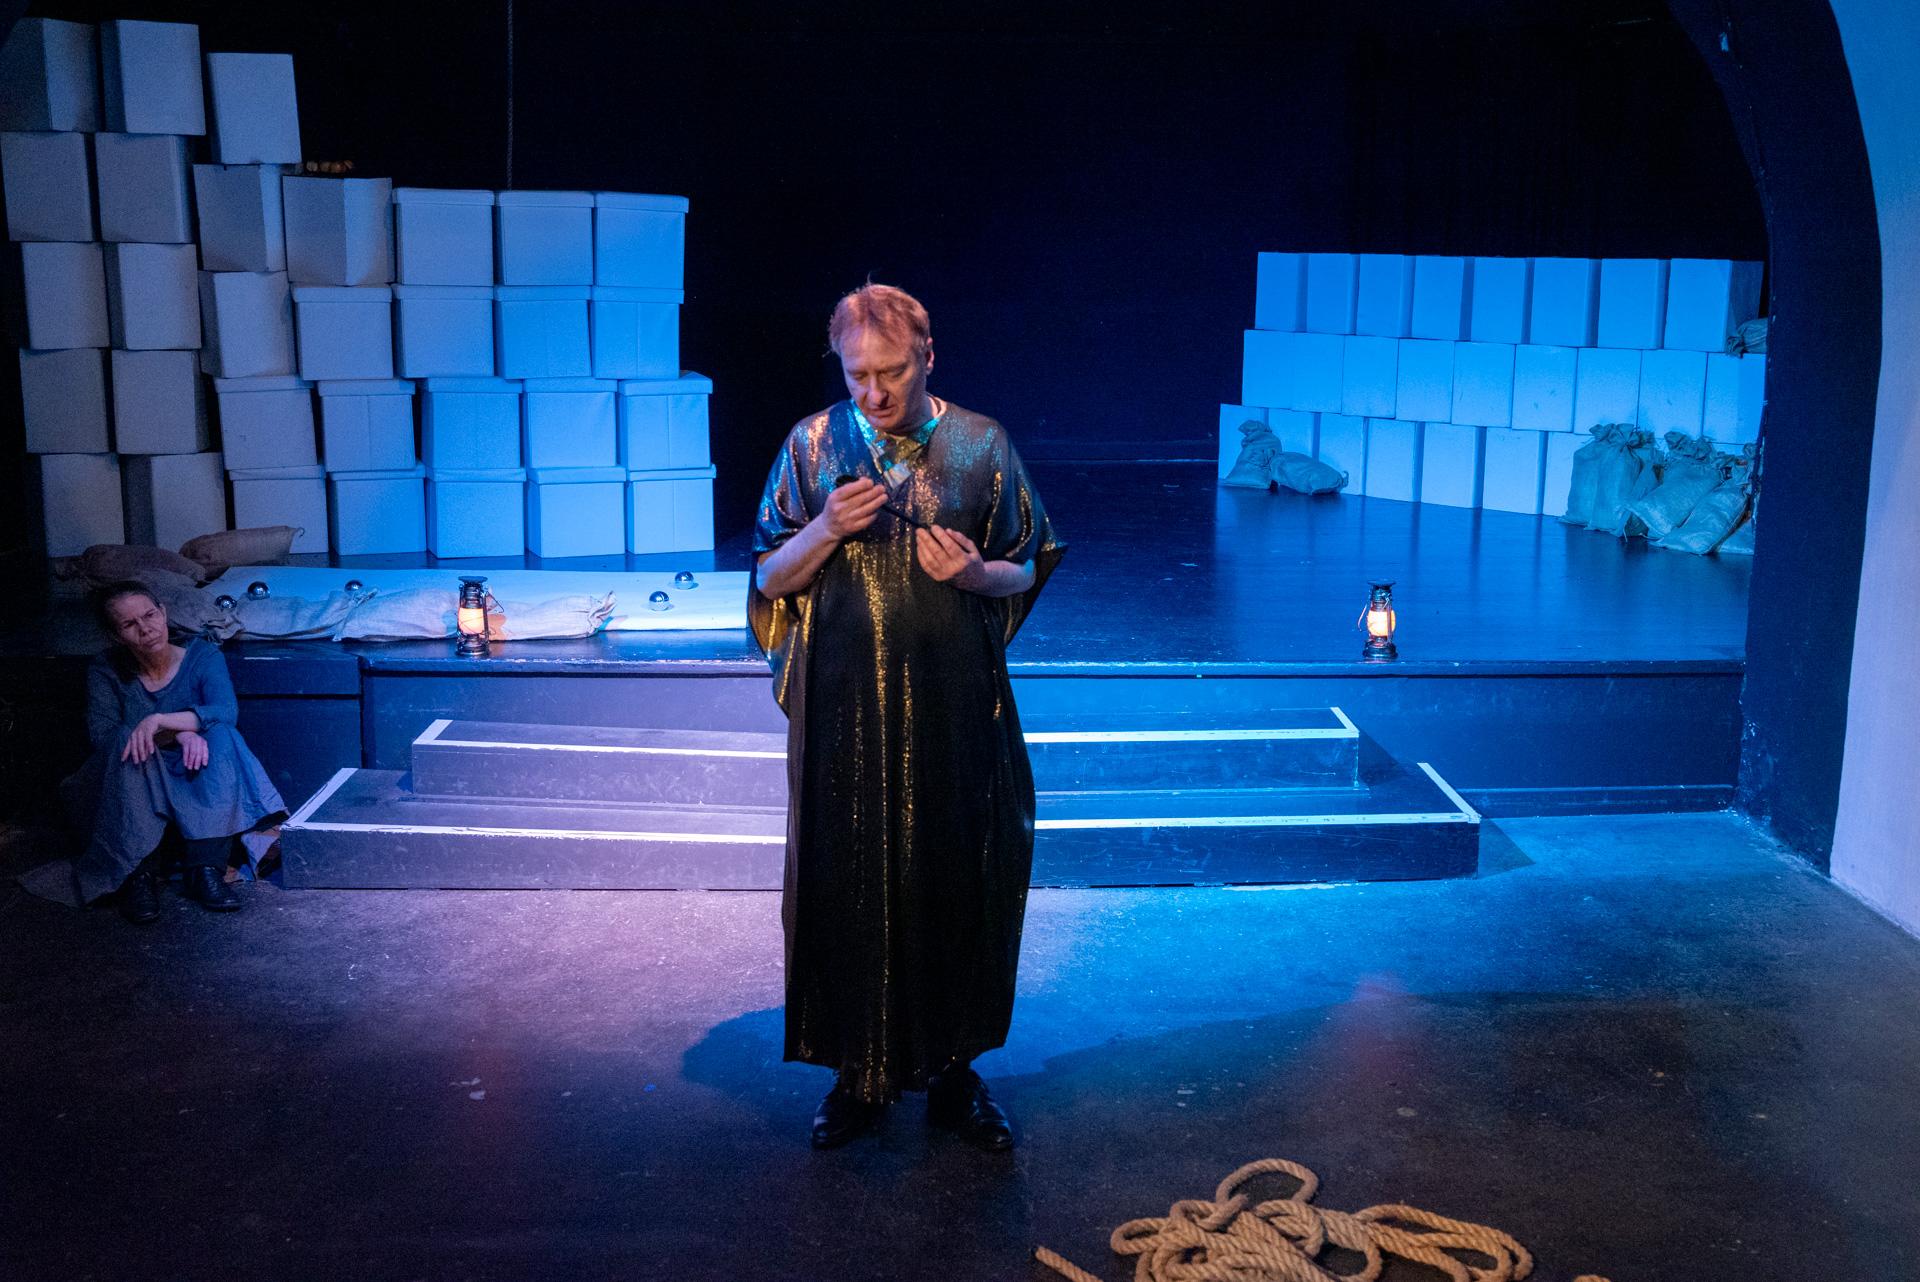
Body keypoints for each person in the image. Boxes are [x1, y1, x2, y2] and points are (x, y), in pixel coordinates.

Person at [750, 284, 1064, 1151]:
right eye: (857, 375)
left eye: (891, 372)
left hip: (953, 702)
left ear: (928, 357)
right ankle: (860, 1073)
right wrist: (823, 529)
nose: (874, 392)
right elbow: (769, 578)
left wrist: (974, 575)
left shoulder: (982, 444)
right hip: (844, 704)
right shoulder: (813, 445)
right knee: (845, 875)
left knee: (957, 872)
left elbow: (1026, 563)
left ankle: (954, 1073)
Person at [18, 581, 287, 922]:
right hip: (135, 776)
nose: (146, 629)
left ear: (163, 612)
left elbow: (224, 711)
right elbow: (102, 737)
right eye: (129, 624)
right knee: (124, 740)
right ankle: (137, 875)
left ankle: (205, 870)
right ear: (116, 635)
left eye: (149, 615)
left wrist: (164, 722)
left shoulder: (202, 656)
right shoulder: (106, 669)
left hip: (190, 771)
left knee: (221, 736)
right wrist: (181, 733)